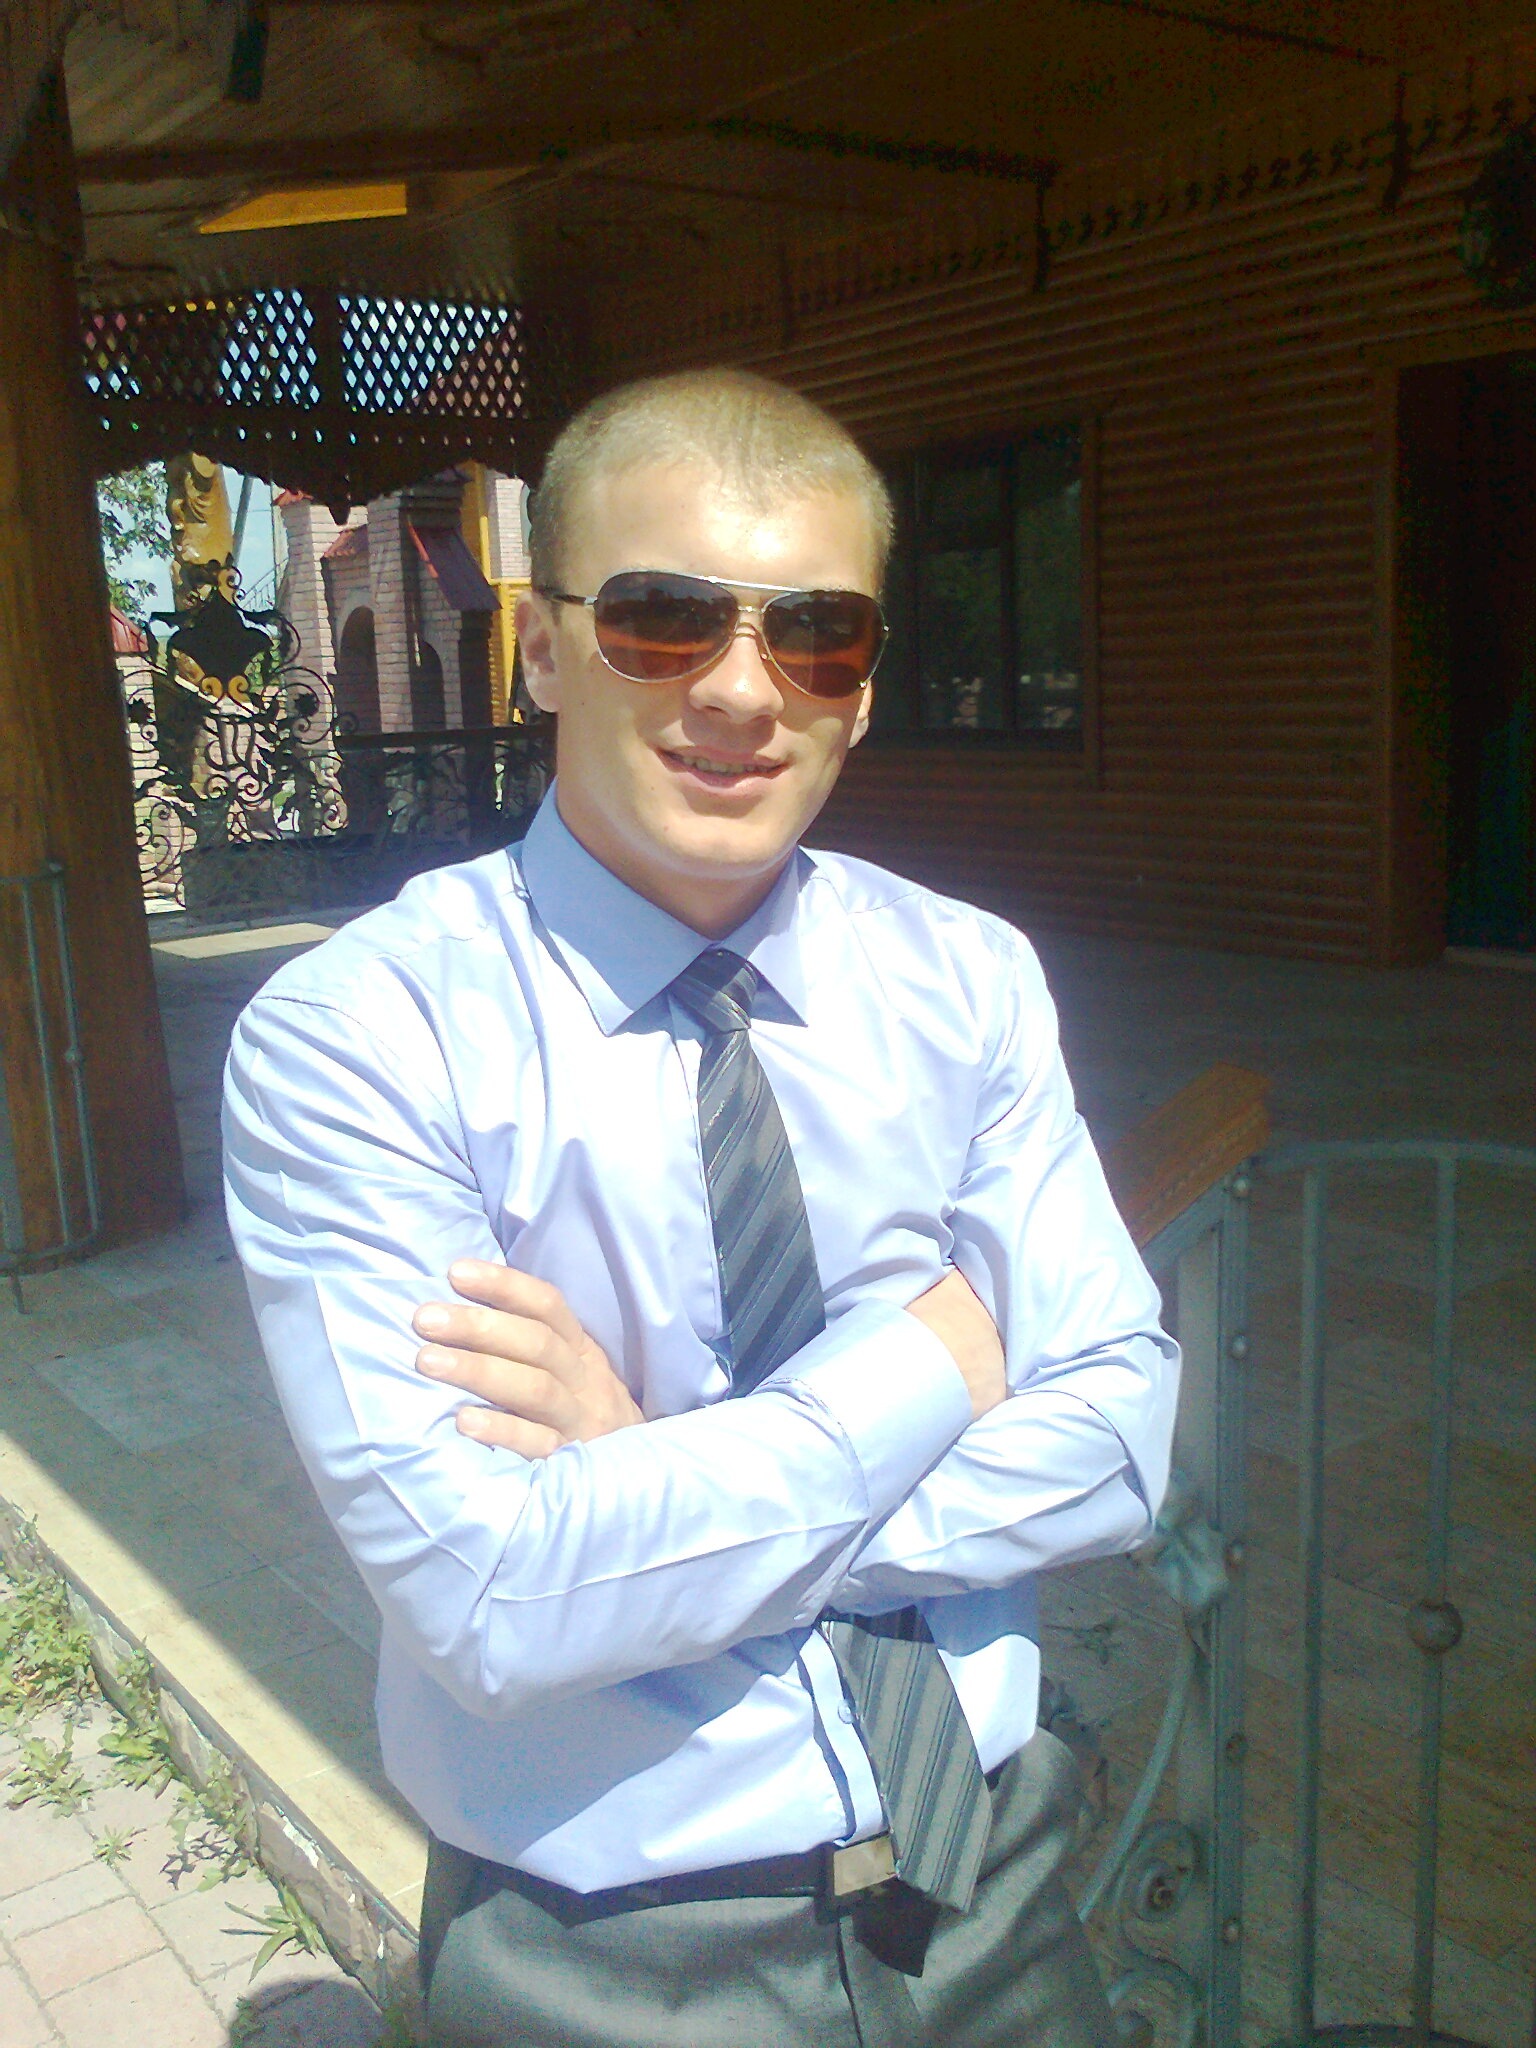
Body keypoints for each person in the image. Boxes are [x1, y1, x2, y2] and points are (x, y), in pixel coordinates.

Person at [222, 368, 1179, 2048]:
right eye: (663, 619)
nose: (743, 688)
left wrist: (656, 1466)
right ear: (542, 647)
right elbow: (494, 1599)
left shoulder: (966, 978)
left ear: (862, 689)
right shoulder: (362, 1035)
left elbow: (1121, 1439)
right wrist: (929, 1370)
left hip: (999, 1872)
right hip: (611, 1952)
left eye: (818, 633)